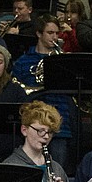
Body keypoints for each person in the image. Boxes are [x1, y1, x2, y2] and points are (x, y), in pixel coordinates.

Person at [13, 15, 73, 166]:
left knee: (57, 170)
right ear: (39, 34)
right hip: (34, 125)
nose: (55, 37)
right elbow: (16, 89)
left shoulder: (63, 60)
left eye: (57, 33)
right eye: (50, 33)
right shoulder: (23, 61)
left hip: (60, 125)